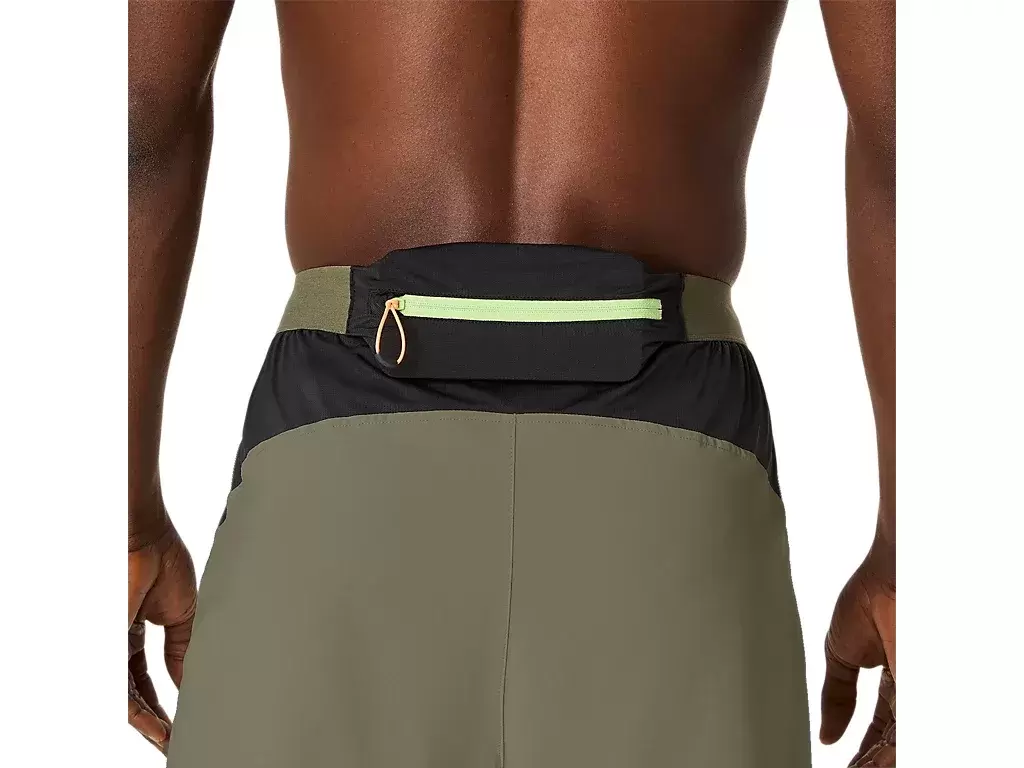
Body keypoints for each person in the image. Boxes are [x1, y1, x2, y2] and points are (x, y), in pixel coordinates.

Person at [128, 1, 894, 766]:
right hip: (673, 473)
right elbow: (904, 140)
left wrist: (125, 520)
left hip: (337, 464)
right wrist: (905, 557)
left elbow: (139, 124)